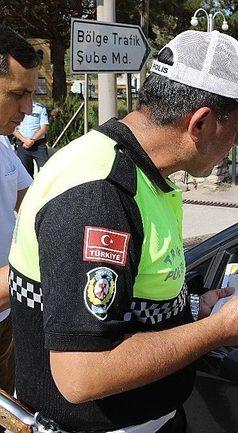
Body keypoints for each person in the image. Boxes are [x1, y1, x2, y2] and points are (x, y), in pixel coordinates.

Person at [8, 30, 238, 433]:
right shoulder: (99, 196)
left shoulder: (141, 171)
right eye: (237, 126)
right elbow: (82, 374)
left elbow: (124, 305)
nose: (236, 141)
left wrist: (191, 310)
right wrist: (217, 330)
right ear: (200, 122)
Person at [0, 25, 39, 394]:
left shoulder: (1, 146)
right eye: (18, 94)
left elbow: (34, 201)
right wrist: (45, 268)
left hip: (10, 317)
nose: (28, 109)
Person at [13, 101, 50, 177]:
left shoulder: (40, 108)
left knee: (45, 172)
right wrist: (24, 140)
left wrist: (32, 140)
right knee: (25, 175)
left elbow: (44, 128)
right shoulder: (15, 108)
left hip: (39, 146)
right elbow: (12, 128)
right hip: (22, 145)